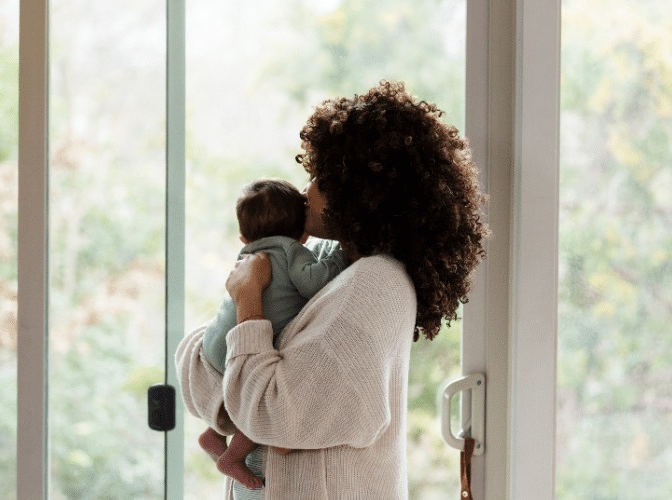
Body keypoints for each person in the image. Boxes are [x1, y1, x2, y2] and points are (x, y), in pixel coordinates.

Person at [175, 80, 489, 499]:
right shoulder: (327, 260)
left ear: (363, 191)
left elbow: (270, 414)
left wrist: (248, 300)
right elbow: (194, 365)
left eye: (321, 177)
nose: (305, 191)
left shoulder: (375, 287)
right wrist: (248, 406)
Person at [198, 178, 348, 490]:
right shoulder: (291, 249)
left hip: (214, 342)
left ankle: (214, 433)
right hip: (244, 341)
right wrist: (339, 255)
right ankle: (233, 456)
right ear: (303, 234)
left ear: (243, 235)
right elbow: (312, 283)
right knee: (260, 405)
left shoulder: (247, 252)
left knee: (242, 393)